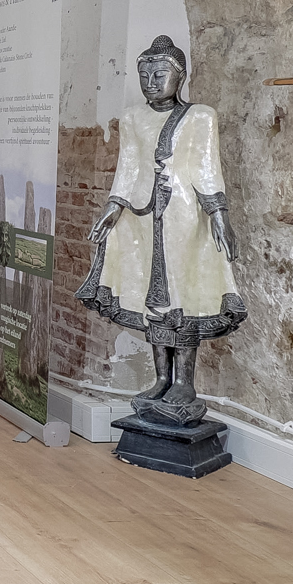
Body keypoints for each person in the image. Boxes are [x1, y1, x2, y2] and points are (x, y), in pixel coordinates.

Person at [76, 35, 245, 424]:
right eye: (145, 75)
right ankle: (161, 378)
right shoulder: (133, 117)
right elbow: (128, 165)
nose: (151, 82)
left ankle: (183, 381)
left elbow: (206, 166)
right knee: (150, 297)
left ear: (179, 76)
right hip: (140, 215)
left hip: (184, 216)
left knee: (184, 294)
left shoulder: (200, 116)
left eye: (159, 74)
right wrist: (113, 206)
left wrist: (219, 214)